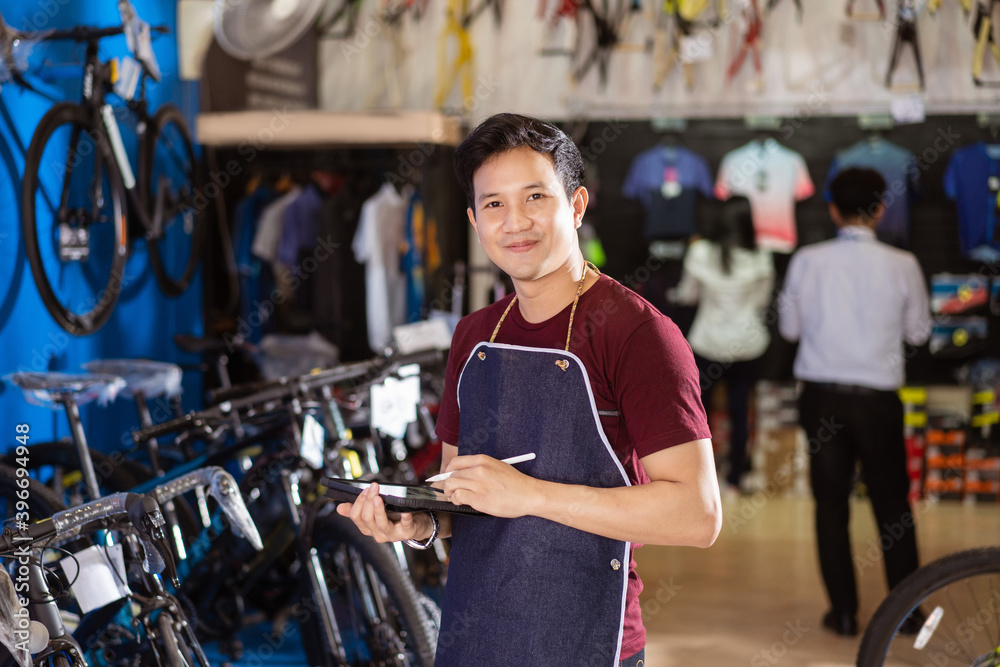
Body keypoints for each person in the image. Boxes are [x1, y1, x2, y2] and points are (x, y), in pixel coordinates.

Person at [337, 113, 722, 666]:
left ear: (577, 204)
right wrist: (418, 522)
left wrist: (530, 495)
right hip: (476, 636)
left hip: (589, 643)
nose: (515, 221)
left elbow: (697, 514)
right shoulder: (474, 335)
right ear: (474, 219)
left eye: (535, 196)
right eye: (493, 204)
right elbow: (460, 492)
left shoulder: (636, 333)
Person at [778, 167, 931, 637]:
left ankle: (843, 614)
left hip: (822, 398)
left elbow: (789, 329)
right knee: (893, 507)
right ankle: (907, 613)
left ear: (832, 209)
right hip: (879, 400)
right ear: (881, 209)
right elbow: (919, 332)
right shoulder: (903, 263)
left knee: (830, 507)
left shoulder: (807, 260)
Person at [672, 196, 774, 496]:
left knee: (698, 414)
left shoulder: (700, 252)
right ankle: (735, 480)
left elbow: (687, 295)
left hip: (708, 343)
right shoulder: (761, 256)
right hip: (748, 345)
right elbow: (762, 302)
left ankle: (701, 479)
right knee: (740, 410)